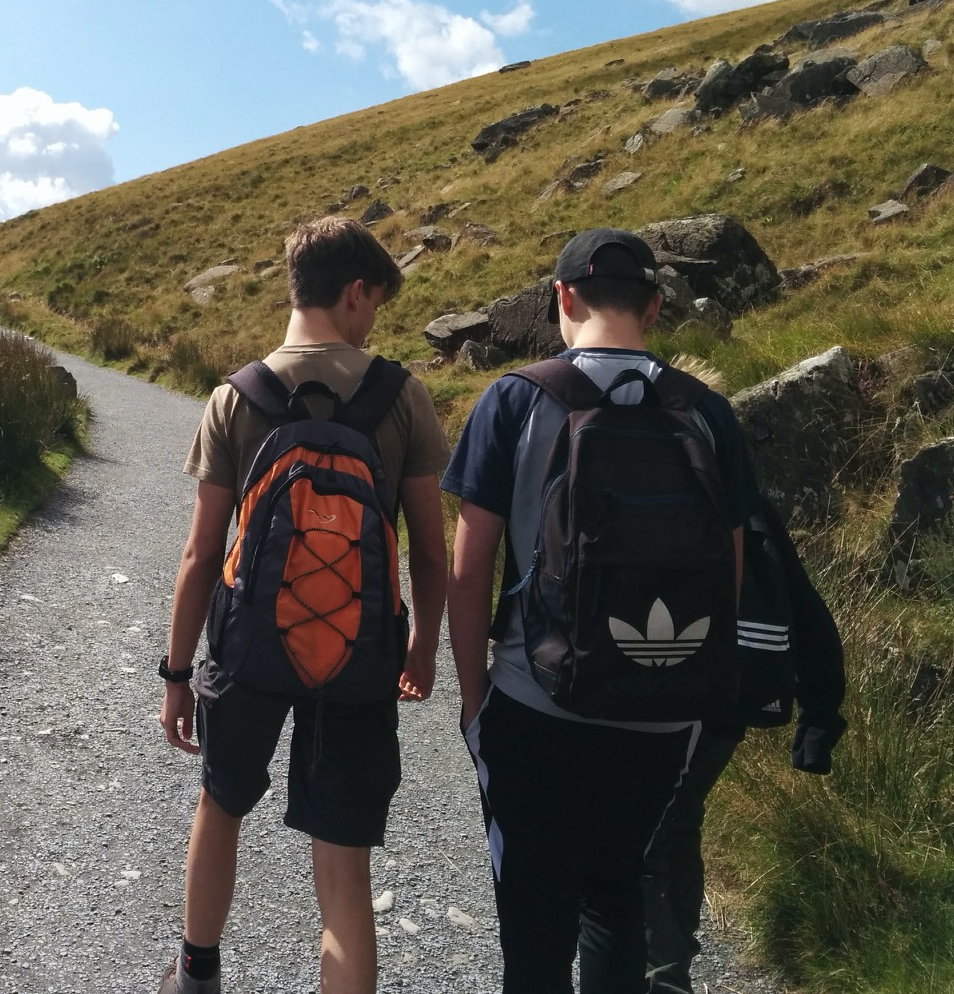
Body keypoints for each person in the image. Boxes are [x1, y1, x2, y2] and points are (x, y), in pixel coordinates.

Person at [441, 228, 751, 994]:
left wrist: (475, 699)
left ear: (563, 297)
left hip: (533, 702)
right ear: (654, 305)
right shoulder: (707, 413)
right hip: (662, 711)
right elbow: (731, 574)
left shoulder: (515, 399)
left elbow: (468, 571)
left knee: (534, 917)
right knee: (617, 896)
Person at [157, 216, 450, 994]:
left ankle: (196, 975)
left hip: (248, 650)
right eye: (375, 303)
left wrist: (177, 674)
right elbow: (430, 551)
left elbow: (201, 554)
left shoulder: (236, 397)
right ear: (355, 292)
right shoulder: (402, 397)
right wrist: (421, 646)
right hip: (360, 655)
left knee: (221, 806)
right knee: (344, 861)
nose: (373, 321)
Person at [643, 485, 846, 994]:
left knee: (640, 844)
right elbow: (804, 602)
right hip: (725, 700)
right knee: (677, 825)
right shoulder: (736, 488)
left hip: (649, 692)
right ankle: (669, 970)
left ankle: (664, 979)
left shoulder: (631, 477)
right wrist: (819, 715)